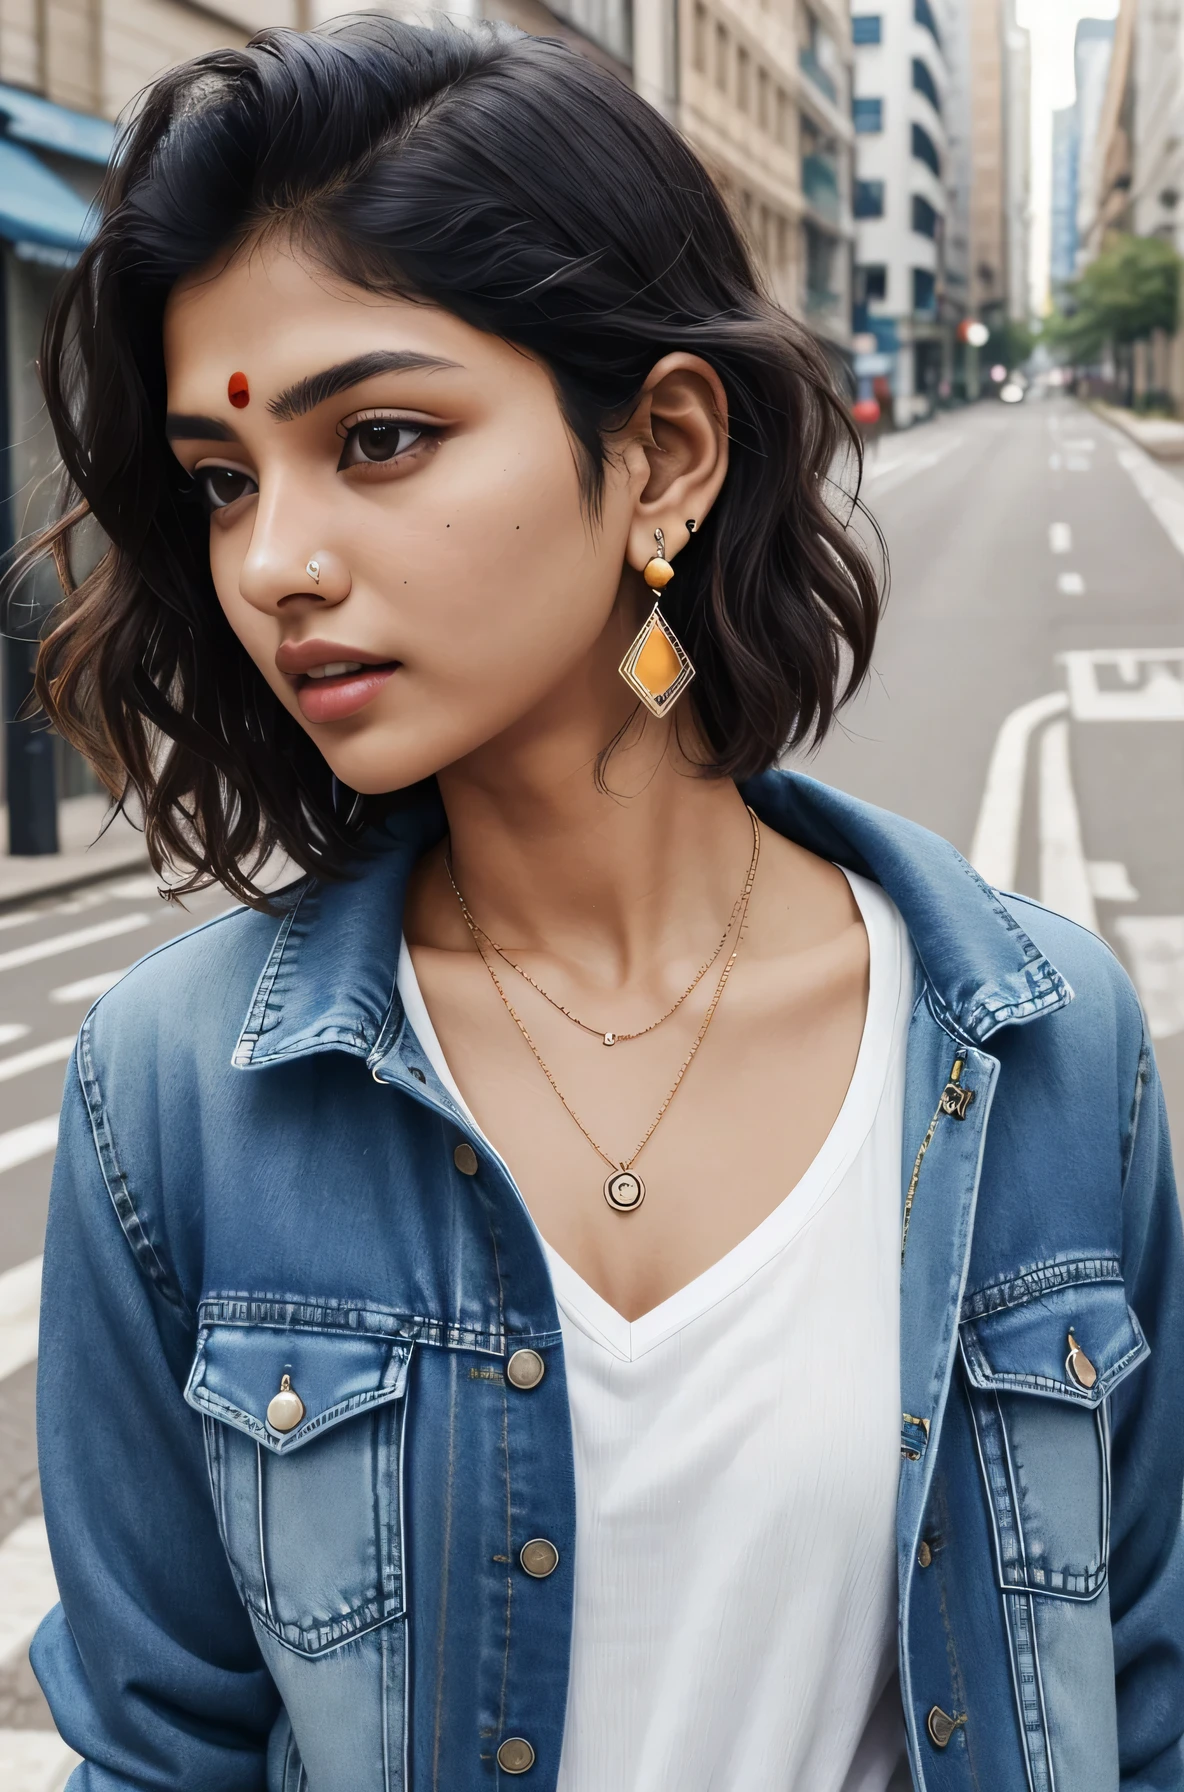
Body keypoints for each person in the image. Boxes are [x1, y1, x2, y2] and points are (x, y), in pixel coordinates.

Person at [20, 18, 1184, 1792]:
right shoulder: (175, 1095)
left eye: (385, 437)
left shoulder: (1041, 1045)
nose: (272, 562)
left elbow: (1142, 1687)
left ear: (663, 451)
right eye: (223, 481)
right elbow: (156, 1751)